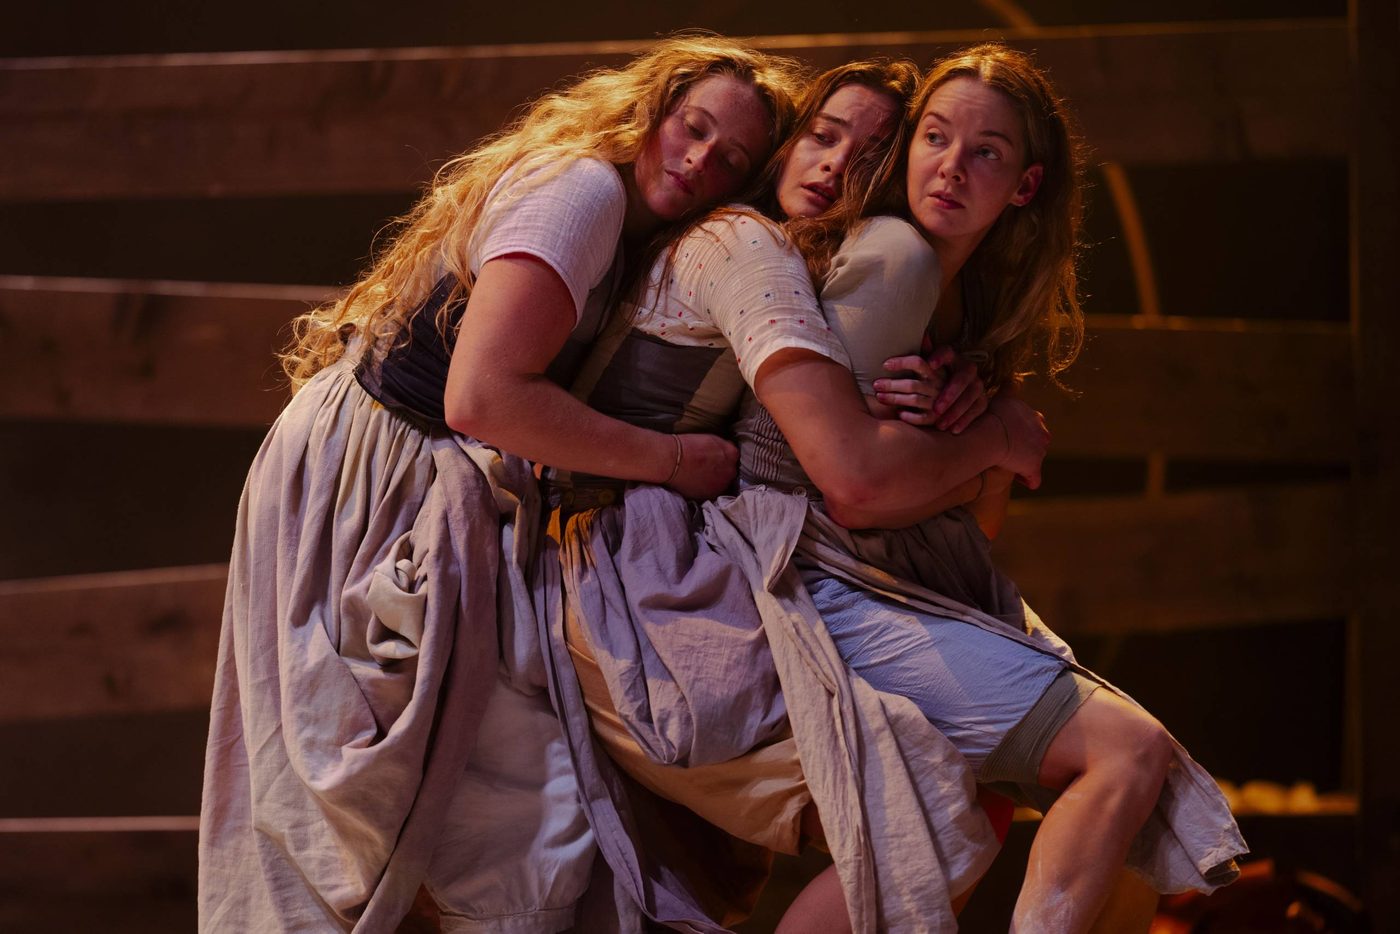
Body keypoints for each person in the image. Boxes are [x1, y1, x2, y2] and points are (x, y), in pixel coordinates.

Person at [543, 45, 1245, 934]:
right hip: (809, 567)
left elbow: (975, 524)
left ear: (1024, 186)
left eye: (985, 152)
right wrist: (988, 444)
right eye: (935, 139)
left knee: (1010, 805)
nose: (950, 167)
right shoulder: (888, 256)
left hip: (863, 565)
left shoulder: (958, 304)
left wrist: (977, 442)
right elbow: (847, 489)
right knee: (1119, 756)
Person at [197, 35, 802, 933]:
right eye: (694, 126)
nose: (701, 159)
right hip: (378, 464)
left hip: (421, 467)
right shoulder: (584, 192)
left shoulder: (629, 223)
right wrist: (673, 462)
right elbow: (482, 396)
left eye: (733, 158)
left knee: (510, 787)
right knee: (367, 774)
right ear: (650, 110)